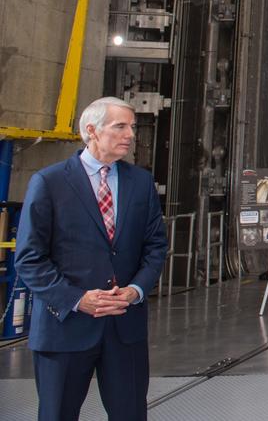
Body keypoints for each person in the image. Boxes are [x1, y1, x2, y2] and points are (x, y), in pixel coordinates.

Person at [15, 97, 168, 420]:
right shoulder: (49, 183)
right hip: (65, 327)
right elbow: (29, 258)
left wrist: (135, 291)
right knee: (58, 414)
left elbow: (155, 246)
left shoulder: (140, 183)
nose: (130, 134)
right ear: (92, 131)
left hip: (124, 327)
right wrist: (77, 299)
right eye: (120, 126)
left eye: (132, 127)